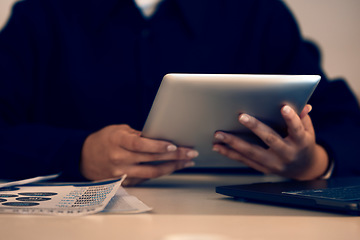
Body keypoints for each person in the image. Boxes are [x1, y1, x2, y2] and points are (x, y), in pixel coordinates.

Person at [0, 0, 359, 186]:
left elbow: (347, 122)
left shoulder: (258, 14)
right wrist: (78, 154)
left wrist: (314, 162)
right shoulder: (41, 16)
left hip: (236, 220)